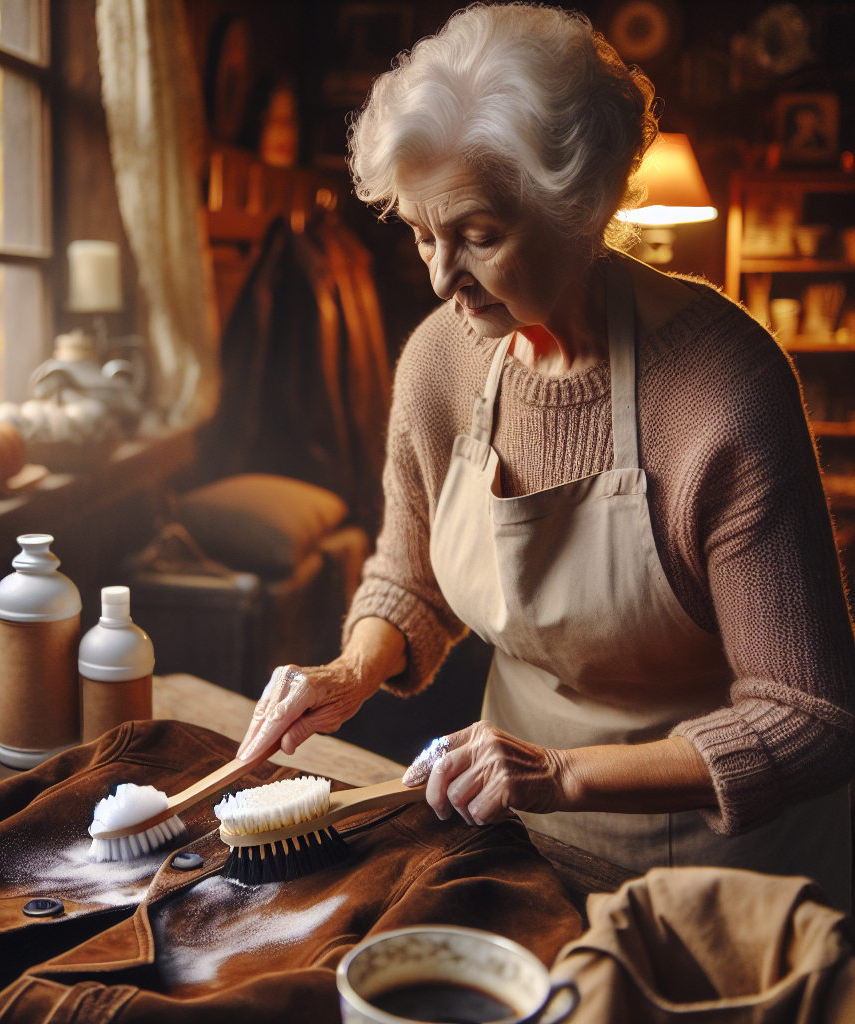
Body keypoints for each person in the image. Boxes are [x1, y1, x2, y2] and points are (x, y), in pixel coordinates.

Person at [236, 4, 854, 909]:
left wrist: (562, 773)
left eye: (478, 235)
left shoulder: (723, 389)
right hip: (512, 844)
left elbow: (812, 721)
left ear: (582, 207)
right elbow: (412, 580)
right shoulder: (441, 361)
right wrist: (347, 673)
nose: (441, 277)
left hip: (720, 883)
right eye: (419, 232)